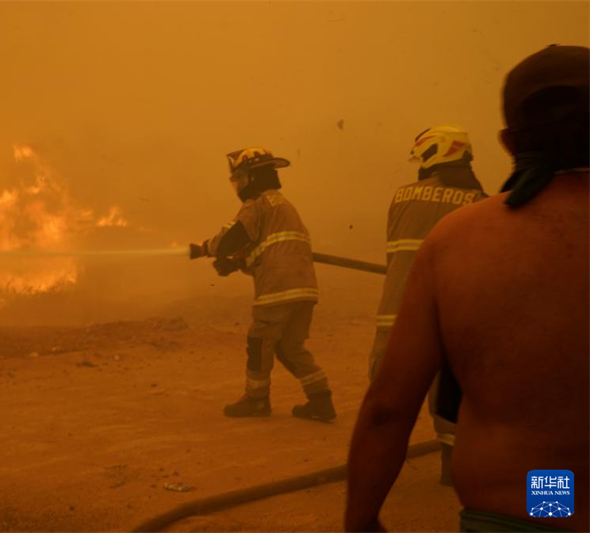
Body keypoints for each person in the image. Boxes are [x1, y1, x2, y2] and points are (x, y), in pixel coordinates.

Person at [345, 44, 589, 532]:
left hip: (535, 502)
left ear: (509, 141)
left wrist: (362, 521)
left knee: (552, 496)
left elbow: (387, 410)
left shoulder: (462, 239)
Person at [368, 125, 487, 485]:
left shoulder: (403, 196)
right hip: (451, 319)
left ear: (432, 156)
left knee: (386, 400)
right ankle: (451, 472)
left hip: (398, 315)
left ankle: (377, 476)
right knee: (453, 399)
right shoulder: (480, 202)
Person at [190, 147, 335, 421]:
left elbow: (234, 237)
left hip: (277, 289)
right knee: (289, 346)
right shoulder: (283, 207)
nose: (239, 186)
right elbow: (267, 250)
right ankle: (321, 399)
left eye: (241, 179)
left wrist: (205, 248)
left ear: (253, 178)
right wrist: (236, 264)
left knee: (259, 342)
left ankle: (256, 400)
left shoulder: (257, 205)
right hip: (304, 288)